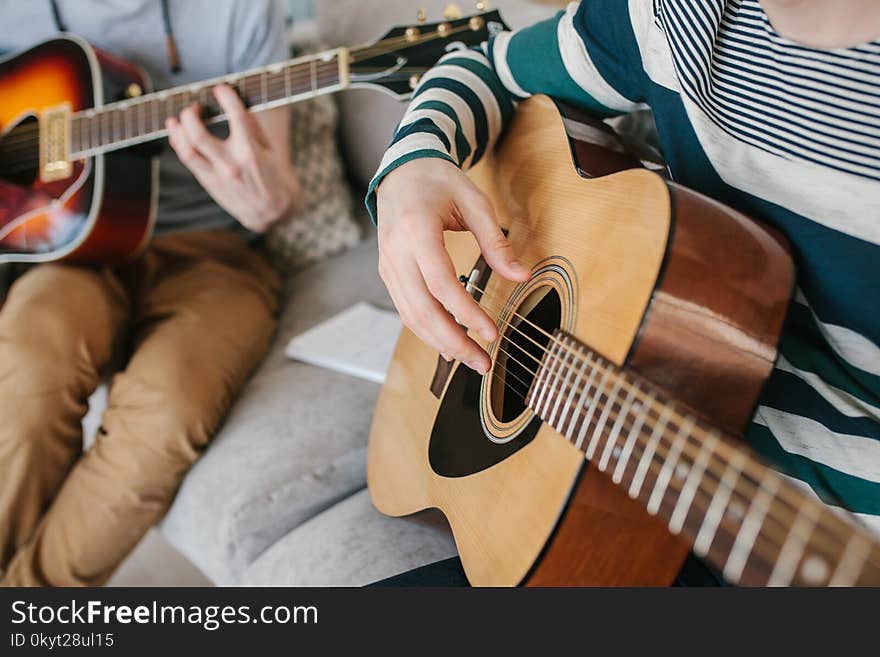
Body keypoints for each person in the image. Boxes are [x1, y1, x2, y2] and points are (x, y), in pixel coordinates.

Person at [370, 0, 879, 581]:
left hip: (797, 539)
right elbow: (482, 66)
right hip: (630, 471)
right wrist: (411, 169)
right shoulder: (675, 18)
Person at [0, 0, 301, 586]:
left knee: (167, 414)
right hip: (70, 251)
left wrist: (273, 204)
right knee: (29, 365)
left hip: (211, 255)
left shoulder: (240, 11)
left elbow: (277, 187)